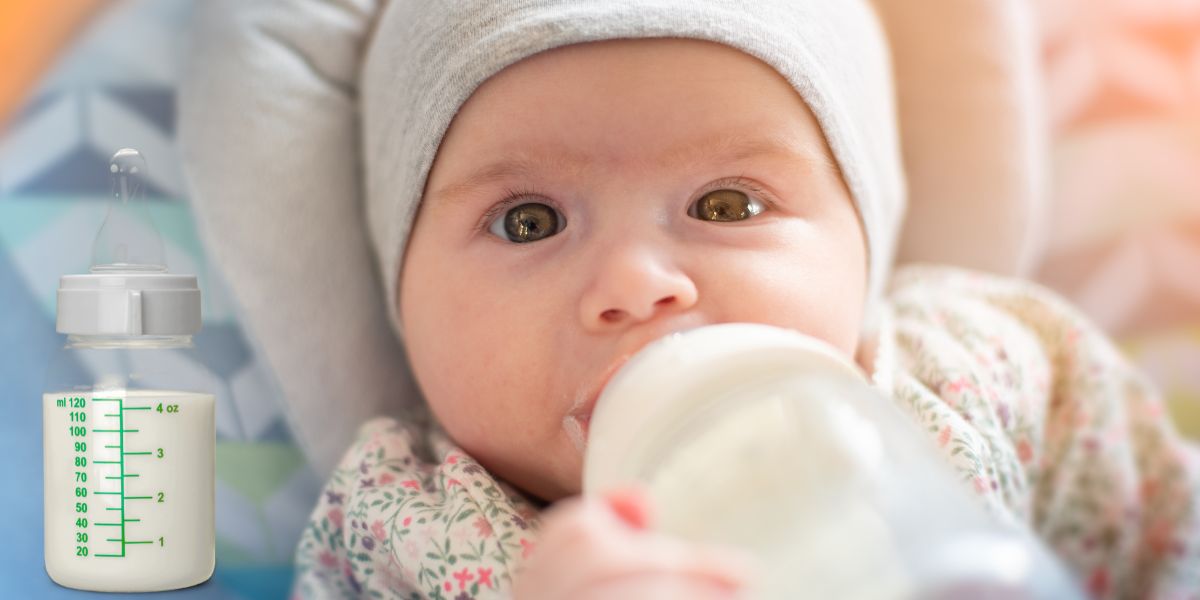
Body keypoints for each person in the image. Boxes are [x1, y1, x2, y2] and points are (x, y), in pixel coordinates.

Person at [181, 1, 1200, 598]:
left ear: (865, 240)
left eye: (727, 202)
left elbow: (1165, 535)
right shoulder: (400, 521)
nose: (636, 283)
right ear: (404, 294)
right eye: (528, 222)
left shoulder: (988, 364)